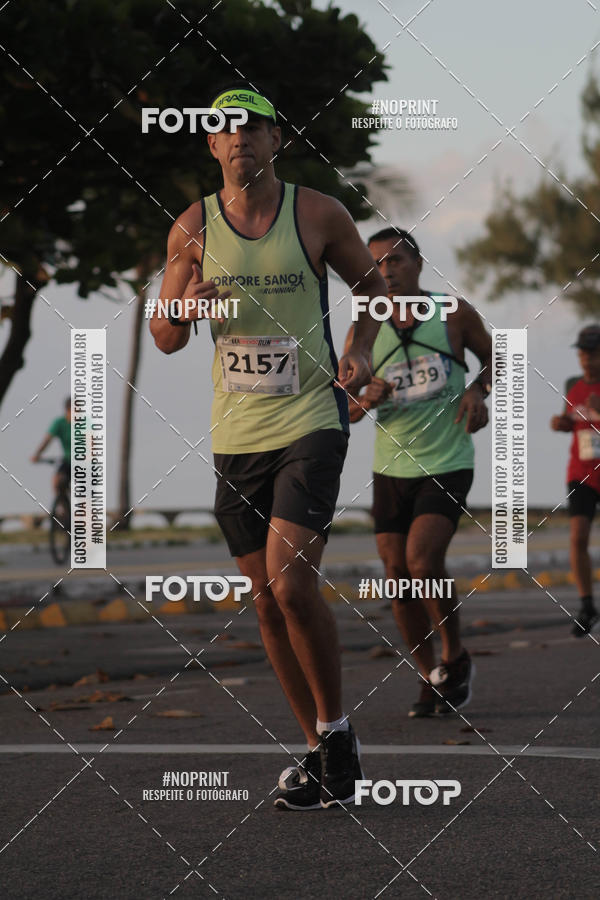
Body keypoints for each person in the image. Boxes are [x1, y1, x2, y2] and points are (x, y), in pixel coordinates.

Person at [150, 83, 387, 809]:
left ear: (276, 139)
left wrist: (360, 348)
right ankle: (322, 748)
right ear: (211, 144)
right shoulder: (192, 228)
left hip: (311, 419)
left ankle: (336, 730)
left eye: (252, 126)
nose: (240, 137)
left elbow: (373, 291)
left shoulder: (317, 213)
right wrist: (182, 307)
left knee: (290, 584)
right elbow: (163, 335)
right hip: (236, 434)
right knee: (265, 602)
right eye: (226, 128)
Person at [344, 227, 492, 717]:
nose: (386, 271)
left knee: (422, 562)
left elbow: (498, 358)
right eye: (376, 264)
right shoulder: (363, 329)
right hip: (391, 466)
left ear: (418, 264)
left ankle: (454, 655)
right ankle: (429, 675)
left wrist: (477, 390)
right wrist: (365, 398)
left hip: (448, 459)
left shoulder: (453, 313)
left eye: (396, 260)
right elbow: (344, 407)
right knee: (396, 575)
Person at [550, 324, 600, 636]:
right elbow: (572, 419)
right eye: (582, 353)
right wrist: (562, 423)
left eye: (592, 353)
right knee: (578, 537)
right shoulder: (572, 384)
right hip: (581, 473)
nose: (586, 359)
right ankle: (587, 605)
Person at [31, 396, 71, 495]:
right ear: (67, 410)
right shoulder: (60, 423)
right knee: (56, 481)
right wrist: (37, 454)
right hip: (68, 461)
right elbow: (47, 440)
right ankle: (61, 502)